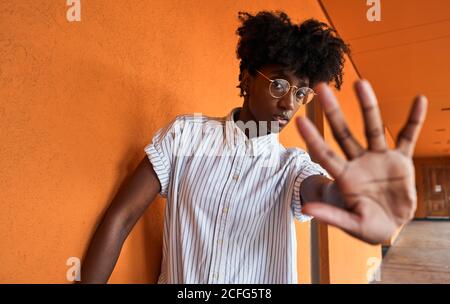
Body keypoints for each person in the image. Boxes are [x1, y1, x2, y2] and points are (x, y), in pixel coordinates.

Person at [79, 10, 427, 284]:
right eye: (279, 84)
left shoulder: (292, 167)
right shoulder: (184, 136)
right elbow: (121, 217)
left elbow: (322, 192)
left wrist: (357, 197)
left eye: (301, 92)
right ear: (247, 80)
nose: (289, 103)